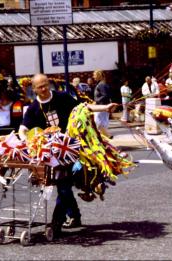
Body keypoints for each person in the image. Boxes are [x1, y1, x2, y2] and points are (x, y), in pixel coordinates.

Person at [18, 73, 116, 237]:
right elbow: (23, 128)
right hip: (51, 155)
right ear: (34, 89)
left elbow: (83, 107)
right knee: (63, 186)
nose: (44, 88)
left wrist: (104, 108)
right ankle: (75, 216)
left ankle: (56, 223)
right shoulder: (34, 108)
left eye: (45, 84)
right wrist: (25, 141)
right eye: (40, 86)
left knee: (65, 184)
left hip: (71, 150)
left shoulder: (62, 97)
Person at [93, 69, 113, 139]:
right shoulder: (102, 84)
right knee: (101, 123)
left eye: (94, 75)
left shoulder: (101, 85)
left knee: (98, 123)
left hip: (101, 107)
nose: (93, 77)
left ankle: (106, 136)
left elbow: (105, 95)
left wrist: (96, 101)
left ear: (99, 76)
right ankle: (105, 138)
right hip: (102, 107)